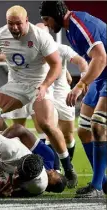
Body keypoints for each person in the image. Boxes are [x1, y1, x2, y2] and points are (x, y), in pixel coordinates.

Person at [0, 5, 77, 188]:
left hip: (40, 83)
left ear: (26, 21)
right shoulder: (1, 34)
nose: (14, 28)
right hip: (16, 84)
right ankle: (8, 149)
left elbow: (55, 65)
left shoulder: (40, 37)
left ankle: (68, 168)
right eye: (10, 24)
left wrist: (45, 85)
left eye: (18, 24)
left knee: (46, 124)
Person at [40, 1, 107, 198]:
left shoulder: (79, 25)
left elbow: (101, 58)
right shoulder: (71, 28)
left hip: (105, 71)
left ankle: (96, 187)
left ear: (56, 15)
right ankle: (102, 182)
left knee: (99, 125)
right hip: (102, 76)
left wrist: (80, 85)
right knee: (84, 130)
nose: (47, 25)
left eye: (47, 19)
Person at [1, 23, 89, 166]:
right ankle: (55, 169)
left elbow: (81, 61)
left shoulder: (60, 49)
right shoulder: (30, 49)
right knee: (48, 132)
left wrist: (83, 78)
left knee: (67, 135)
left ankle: (68, 165)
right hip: (45, 94)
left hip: (63, 95)